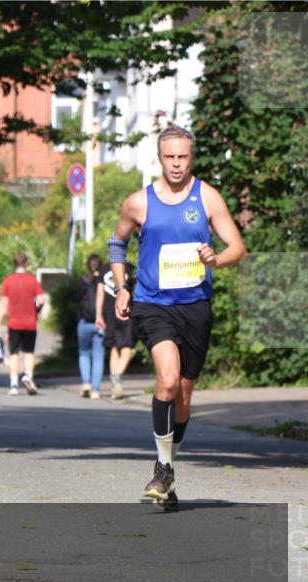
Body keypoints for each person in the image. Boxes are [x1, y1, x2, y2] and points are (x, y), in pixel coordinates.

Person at [110, 125, 246, 507]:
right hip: (153, 303)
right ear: (159, 158)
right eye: (169, 157)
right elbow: (118, 242)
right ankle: (163, 470)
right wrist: (122, 287)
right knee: (167, 380)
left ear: (191, 157)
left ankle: (166, 469)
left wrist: (215, 259)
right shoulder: (139, 202)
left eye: (182, 157)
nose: (175, 164)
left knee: (184, 394)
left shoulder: (207, 197)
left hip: (195, 305)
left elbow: (238, 247)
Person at [0, 252, 45, 395]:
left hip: (14, 323)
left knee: (14, 353)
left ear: (14, 264)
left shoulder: (8, 281)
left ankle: (14, 384)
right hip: (30, 323)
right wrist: (36, 311)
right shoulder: (32, 280)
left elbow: (4, 304)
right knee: (29, 352)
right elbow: (41, 300)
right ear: (26, 264)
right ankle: (28, 376)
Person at [96, 258, 137, 399]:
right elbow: (135, 291)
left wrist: (98, 315)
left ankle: (115, 385)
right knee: (126, 348)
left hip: (108, 313)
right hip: (125, 310)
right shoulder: (129, 268)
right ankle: (116, 377)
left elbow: (100, 294)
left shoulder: (104, 268)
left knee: (114, 348)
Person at [77, 254, 104, 399]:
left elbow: (78, 300)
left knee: (84, 353)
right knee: (98, 357)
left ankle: (86, 383)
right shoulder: (104, 281)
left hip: (84, 322)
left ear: (88, 265)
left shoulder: (83, 281)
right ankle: (95, 390)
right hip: (100, 323)